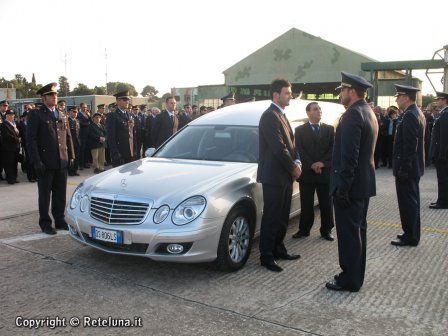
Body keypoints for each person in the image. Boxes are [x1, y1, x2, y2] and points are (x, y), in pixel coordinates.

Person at [325, 72, 378, 292]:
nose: (340, 94)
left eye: (342, 90)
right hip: (362, 185)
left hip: (351, 187)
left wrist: (343, 188)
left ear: (352, 91)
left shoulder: (353, 115)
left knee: (349, 235)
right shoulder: (368, 112)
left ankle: (349, 279)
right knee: (357, 233)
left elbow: (350, 157)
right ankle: (355, 277)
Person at [257, 78, 302, 273]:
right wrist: (293, 167)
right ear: (276, 95)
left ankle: (278, 248)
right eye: (287, 93)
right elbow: (278, 147)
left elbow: (292, 145)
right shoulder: (269, 116)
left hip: (285, 175)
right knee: (272, 216)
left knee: (283, 215)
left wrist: (297, 161)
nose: (290, 95)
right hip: (274, 176)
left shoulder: (281, 114)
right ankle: (266, 255)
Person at [26, 83, 75, 235]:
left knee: (60, 193)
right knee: (45, 194)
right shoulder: (36, 114)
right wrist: (36, 160)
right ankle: (45, 222)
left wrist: (71, 154)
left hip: (61, 160)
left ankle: (59, 219)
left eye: (55, 95)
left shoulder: (61, 114)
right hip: (45, 162)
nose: (54, 97)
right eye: (51, 95)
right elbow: (31, 139)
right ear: (43, 98)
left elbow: (68, 137)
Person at [292, 102, 335, 241]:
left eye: (320, 109)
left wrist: (321, 163)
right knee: (306, 203)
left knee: (326, 204)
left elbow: (332, 149)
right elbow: (298, 150)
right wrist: (311, 164)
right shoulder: (299, 130)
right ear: (308, 113)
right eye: (315, 109)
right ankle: (304, 229)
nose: (319, 111)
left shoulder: (329, 129)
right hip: (307, 174)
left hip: (324, 172)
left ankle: (326, 230)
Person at [390, 84, 426, 246]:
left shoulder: (410, 115)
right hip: (413, 168)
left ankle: (410, 236)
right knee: (412, 202)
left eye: (398, 96)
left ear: (406, 98)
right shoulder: (415, 113)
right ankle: (411, 233)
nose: (396, 99)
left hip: (408, 169)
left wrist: (404, 167)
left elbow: (411, 145)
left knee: (408, 203)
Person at [428, 91, 448, 209]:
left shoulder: (445, 114)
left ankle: (443, 201)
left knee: (443, 178)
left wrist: (441, 154)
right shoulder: (443, 113)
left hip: (442, 154)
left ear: (445, 100)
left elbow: (444, 137)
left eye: (439, 99)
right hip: (443, 152)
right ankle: (442, 199)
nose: (437, 101)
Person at [106, 90, 134, 167]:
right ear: (118, 101)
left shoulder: (129, 115)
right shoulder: (113, 115)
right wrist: (115, 153)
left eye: (128, 99)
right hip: (119, 153)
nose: (127, 102)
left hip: (130, 152)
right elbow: (111, 137)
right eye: (124, 100)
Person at [0, 109, 21, 184]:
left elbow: (19, 132)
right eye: (10, 115)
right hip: (8, 148)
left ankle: (15, 177)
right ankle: (10, 179)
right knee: (9, 164)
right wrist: (17, 139)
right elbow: (6, 135)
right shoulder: (4, 124)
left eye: (12, 115)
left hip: (16, 147)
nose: (12, 116)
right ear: (6, 116)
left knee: (15, 163)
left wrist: (20, 138)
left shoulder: (15, 124)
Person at [67, 108, 80, 176]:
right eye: (73, 112)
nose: (75, 113)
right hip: (70, 142)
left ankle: (75, 170)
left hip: (77, 142)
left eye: (76, 112)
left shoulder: (77, 121)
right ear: (69, 113)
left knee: (77, 157)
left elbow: (78, 132)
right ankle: (70, 171)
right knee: (71, 157)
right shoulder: (67, 121)